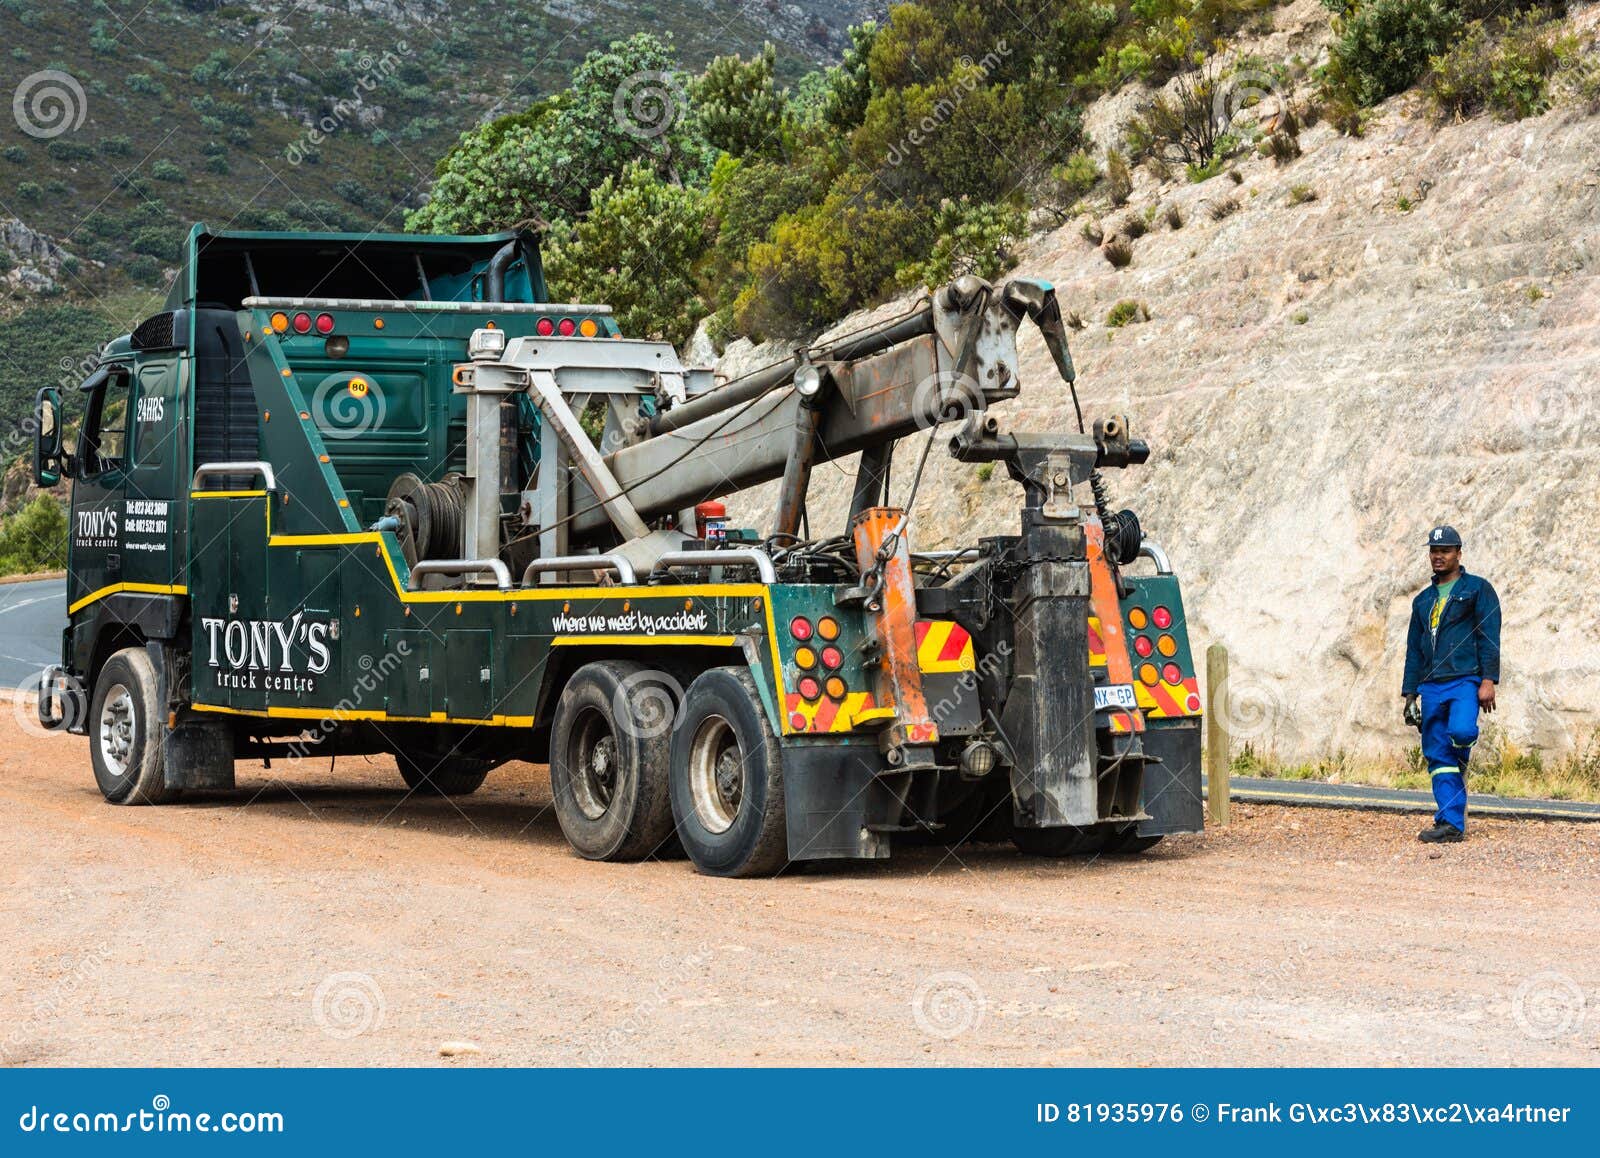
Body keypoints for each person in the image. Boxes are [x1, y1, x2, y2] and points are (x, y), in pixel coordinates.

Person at [1401, 526, 1501, 843]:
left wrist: (1488, 680)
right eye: (1433, 550)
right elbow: (1414, 650)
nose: (1438, 556)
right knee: (1437, 756)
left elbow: (1489, 637)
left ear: (1459, 553)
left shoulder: (1477, 590)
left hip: (1465, 680)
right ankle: (1450, 824)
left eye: (1445, 550)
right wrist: (1409, 694)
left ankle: (1461, 761)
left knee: (1462, 732)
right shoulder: (1423, 600)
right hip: (1430, 685)